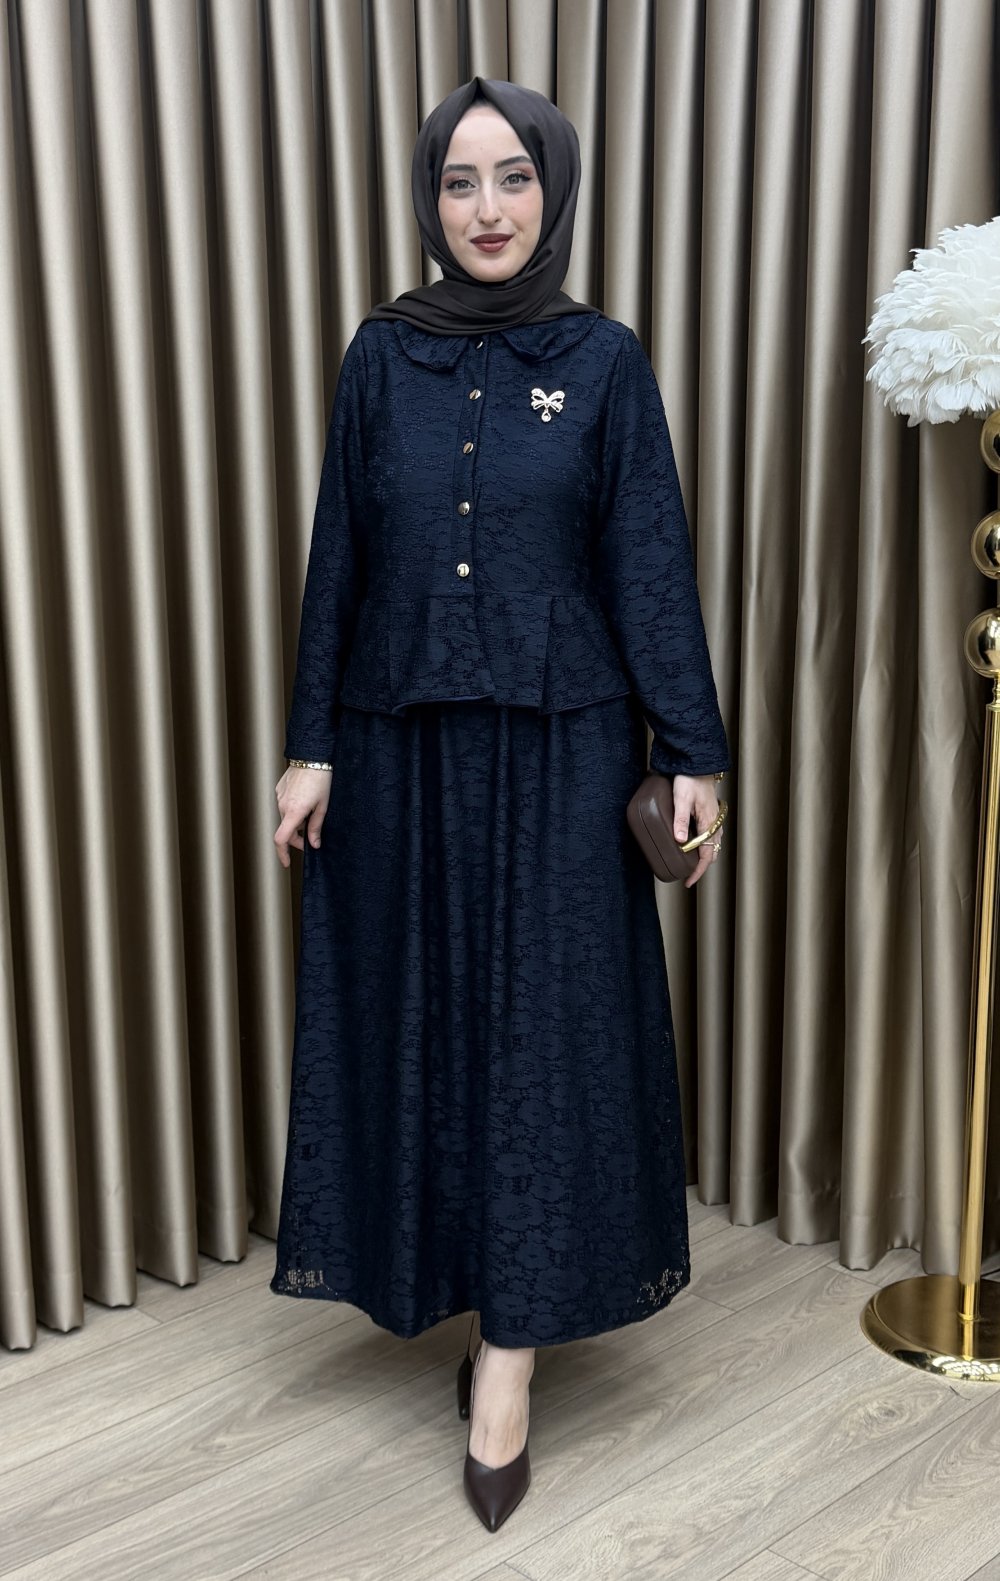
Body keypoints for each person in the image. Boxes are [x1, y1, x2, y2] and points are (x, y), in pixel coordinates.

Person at [269, 76, 731, 1534]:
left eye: (514, 178)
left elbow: (647, 557)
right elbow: (341, 556)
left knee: (542, 1039)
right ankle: (454, 1286)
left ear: (555, 191)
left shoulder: (602, 361)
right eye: (460, 180)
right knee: (428, 1023)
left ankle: (508, 1372)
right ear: (429, 197)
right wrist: (309, 745)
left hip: (563, 748)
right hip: (397, 744)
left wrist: (695, 748)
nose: (487, 209)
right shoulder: (380, 353)